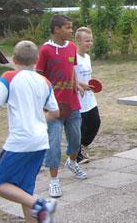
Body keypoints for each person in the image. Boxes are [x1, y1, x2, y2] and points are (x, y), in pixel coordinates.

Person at [0, 41, 60, 223]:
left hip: (19, 143)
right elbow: (55, 112)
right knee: (25, 192)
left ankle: (42, 204)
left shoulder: (8, 77)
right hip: (40, 142)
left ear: (14, 59)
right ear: (36, 60)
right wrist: (38, 123)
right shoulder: (44, 81)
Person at [36, 15, 86, 198]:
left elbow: (71, 69)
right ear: (56, 29)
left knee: (76, 139)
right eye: (67, 27)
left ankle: (72, 162)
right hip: (53, 108)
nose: (71, 31)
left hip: (72, 104)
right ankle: (54, 181)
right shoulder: (45, 50)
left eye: (71, 27)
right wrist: (43, 101)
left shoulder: (71, 47)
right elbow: (39, 76)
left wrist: (77, 85)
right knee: (54, 144)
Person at [74, 27, 101, 164]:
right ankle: (77, 155)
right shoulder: (73, 58)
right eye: (86, 41)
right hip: (78, 99)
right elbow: (69, 77)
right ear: (78, 40)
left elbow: (87, 77)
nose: (89, 43)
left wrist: (91, 85)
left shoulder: (88, 57)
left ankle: (83, 146)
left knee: (95, 123)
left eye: (90, 40)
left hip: (90, 98)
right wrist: (80, 85)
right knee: (81, 128)